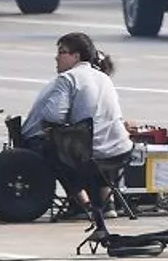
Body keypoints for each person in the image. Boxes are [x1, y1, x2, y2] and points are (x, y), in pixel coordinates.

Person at [20, 33, 134, 215]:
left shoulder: (68, 78)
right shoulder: (104, 78)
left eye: (62, 52)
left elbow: (53, 116)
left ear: (77, 56)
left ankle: (81, 203)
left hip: (90, 154)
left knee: (54, 148)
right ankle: (107, 203)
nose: (56, 57)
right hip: (120, 152)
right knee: (96, 143)